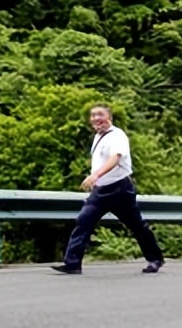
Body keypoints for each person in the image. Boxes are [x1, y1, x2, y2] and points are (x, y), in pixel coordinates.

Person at [53, 105, 165, 275]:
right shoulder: (98, 136)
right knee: (83, 221)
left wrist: (96, 175)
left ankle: (155, 258)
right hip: (100, 190)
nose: (96, 118)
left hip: (119, 189)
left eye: (100, 115)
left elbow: (116, 157)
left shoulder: (117, 136)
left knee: (136, 225)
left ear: (109, 117)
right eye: (93, 115)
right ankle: (72, 263)